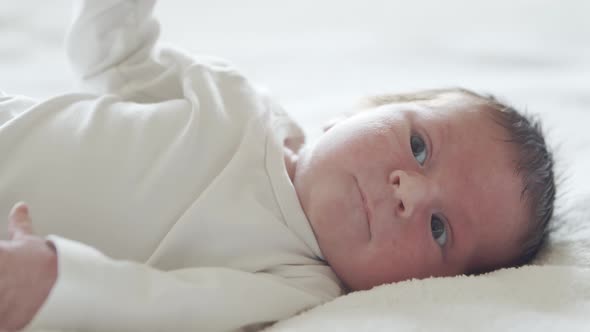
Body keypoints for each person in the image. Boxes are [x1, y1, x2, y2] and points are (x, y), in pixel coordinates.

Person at [0, 0, 556, 331]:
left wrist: (55, 280)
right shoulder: (240, 100)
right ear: (360, 111)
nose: (407, 191)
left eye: (439, 230)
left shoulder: (296, 281)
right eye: (418, 146)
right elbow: (116, 60)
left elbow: (173, 306)